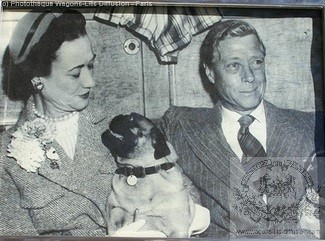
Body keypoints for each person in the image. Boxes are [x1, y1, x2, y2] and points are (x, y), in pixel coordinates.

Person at [0, 9, 207, 237]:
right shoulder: (6, 156)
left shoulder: (121, 127)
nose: (91, 82)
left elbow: (184, 191)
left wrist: (154, 226)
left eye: (90, 66)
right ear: (37, 78)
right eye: (75, 73)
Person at [159, 19, 323, 238]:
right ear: (210, 73)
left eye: (256, 62)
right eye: (234, 65)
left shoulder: (309, 127)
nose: (250, 77)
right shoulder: (181, 126)